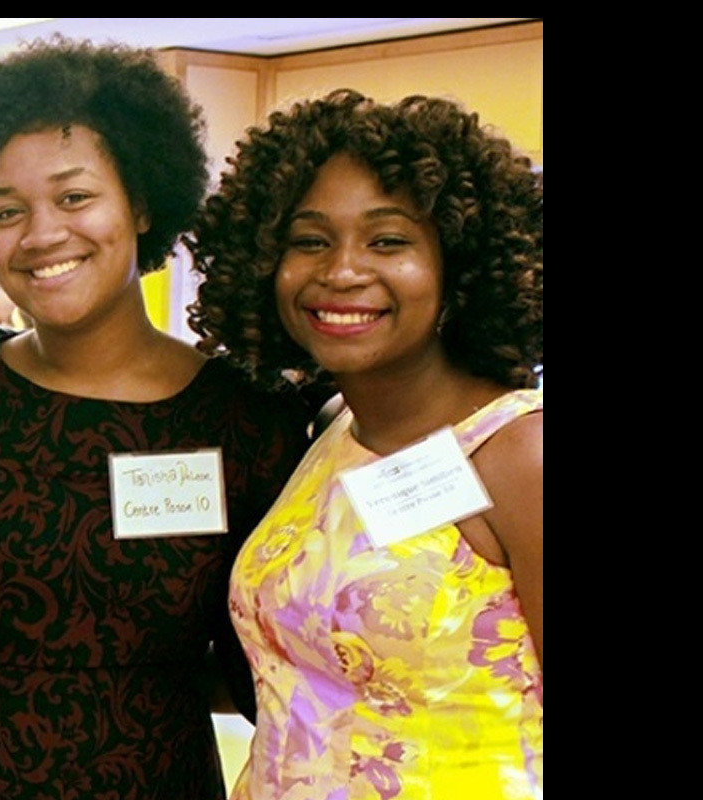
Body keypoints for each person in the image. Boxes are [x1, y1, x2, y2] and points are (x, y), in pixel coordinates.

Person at [0, 37, 313, 799]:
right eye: (6, 212)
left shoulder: (248, 420)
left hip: (162, 779)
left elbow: (268, 657)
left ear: (142, 200)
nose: (43, 233)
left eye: (75, 197)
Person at [188, 88, 543, 799]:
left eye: (388, 241)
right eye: (310, 240)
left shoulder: (520, 454)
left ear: (460, 266)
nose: (341, 271)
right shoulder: (327, 428)